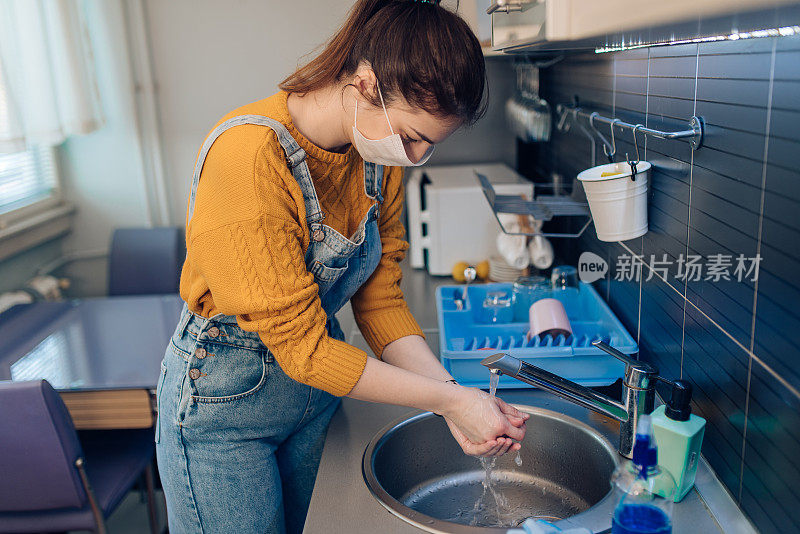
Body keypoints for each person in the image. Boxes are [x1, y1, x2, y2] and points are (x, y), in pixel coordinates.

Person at [155, 1, 529, 532]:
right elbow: (303, 350)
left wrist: (455, 400)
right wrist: (449, 398)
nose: (416, 157)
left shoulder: (378, 159)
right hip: (225, 409)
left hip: (315, 395)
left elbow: (380, 302)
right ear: (364, 82)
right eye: (412, 135)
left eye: (429, 144)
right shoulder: (248, 159)